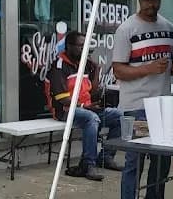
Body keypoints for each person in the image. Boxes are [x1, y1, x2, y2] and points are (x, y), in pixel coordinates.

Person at [112, 0, 173, 199]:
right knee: (134, 162)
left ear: (159, 0)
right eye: (146, 0)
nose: (150, 5)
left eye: (154, 0)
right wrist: (147, 69)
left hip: (163, 104)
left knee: (162, 161)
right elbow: (118, 69)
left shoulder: (168, 27)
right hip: (135, 107)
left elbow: (172, 60)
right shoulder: (126, 29)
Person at [47, 30, 122, 182]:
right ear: (69, 46)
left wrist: (97, 71)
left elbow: (92, 92)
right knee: (91, 118)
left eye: (86, 46)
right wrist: (83, 106)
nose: (84, 49)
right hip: (65, 111)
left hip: (86, 108)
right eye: (80, 46)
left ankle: (106, 157)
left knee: (119, 115)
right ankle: (88, 164)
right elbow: (62, 98)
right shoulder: (59, 66)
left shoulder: (84, 64)